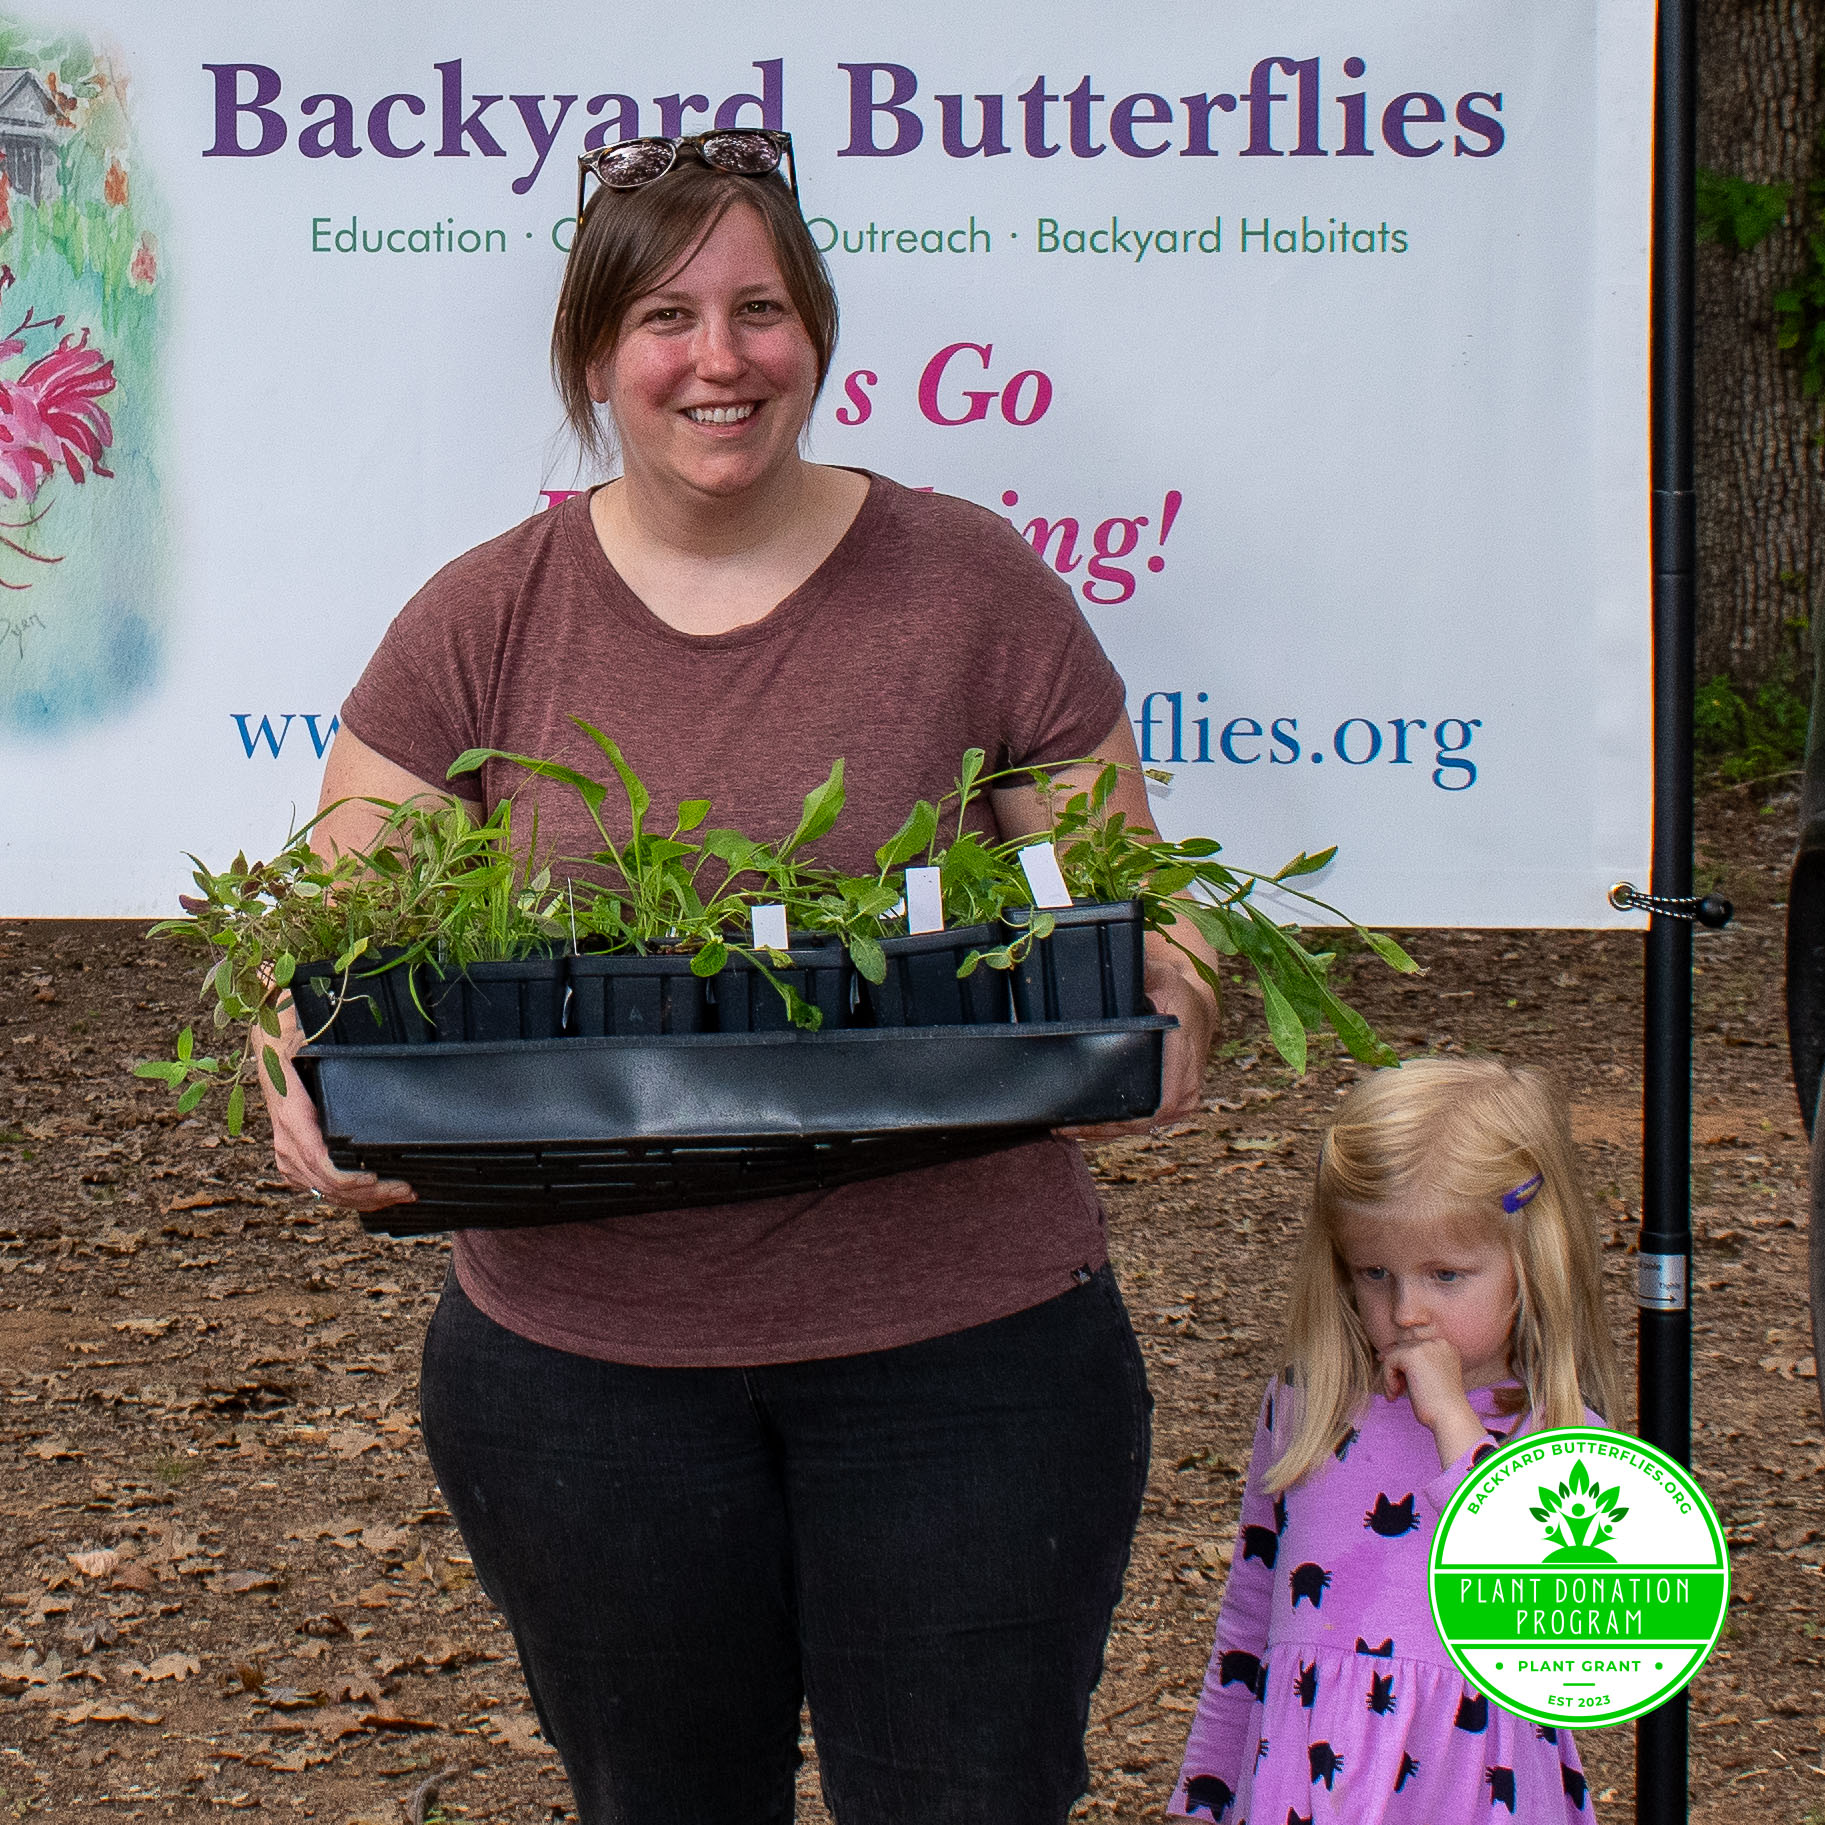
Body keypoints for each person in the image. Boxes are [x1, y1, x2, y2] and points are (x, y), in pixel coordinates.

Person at [259, 129, 1218, 1824]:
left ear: (818, 337)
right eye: (665, 317)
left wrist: (1178, 1000)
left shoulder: (969, 582)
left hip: (969, 1358)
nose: (720, 359)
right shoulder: (487, 616)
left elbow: (1135, 894)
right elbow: (328, 939)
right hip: (584, 1382)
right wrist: (299, 1068)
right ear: (592, 360)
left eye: (760, 309)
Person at [1169, 1057, 1622, 1824]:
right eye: (1374, 1272)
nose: (1406, 1308)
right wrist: (1206, 1790)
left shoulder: (1559, 1427)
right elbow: (1248, 1614)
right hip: (1310, 1777)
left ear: (1531, 1261)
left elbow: (1551, 1620)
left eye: (1446, 1274)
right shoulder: (1309, 1402)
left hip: (1473, 1780)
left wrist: (1454, 1423)